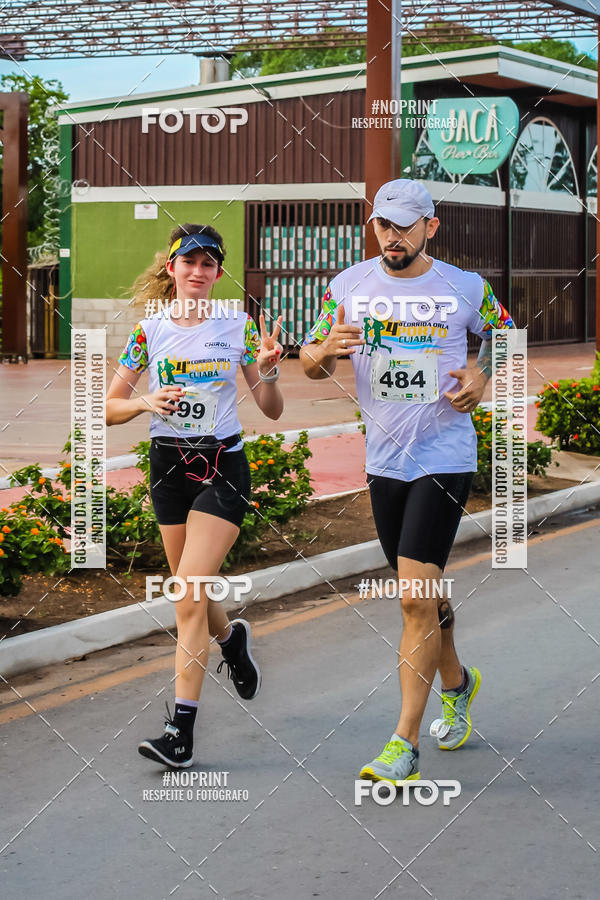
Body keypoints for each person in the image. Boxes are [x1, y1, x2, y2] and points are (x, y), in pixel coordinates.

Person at [300, 179, 514, 785]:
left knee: (414, 600)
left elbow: (506, 335)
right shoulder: (348, 285)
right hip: (384, 463)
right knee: (426, 594)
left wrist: (482, 375)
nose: (391, 236)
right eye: (382, 225)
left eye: (403, 225)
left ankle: (404, 745)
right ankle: (458, 682)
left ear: (430, 227)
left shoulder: (464, 286)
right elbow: (310, 362)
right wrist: (325, 349)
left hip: (443, 455)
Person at [106, 224, 283, 768]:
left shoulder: (238, 325)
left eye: (209, 264)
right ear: (172, 267)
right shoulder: (149, 331)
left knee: (185, 597)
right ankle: (231, 641)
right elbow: (108, 408)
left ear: (218, 272)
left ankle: (179, 734)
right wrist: (144, 402)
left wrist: (270, 373)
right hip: (169, 468)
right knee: (194, 593)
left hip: (222, 466)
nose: (199, 272)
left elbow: (271, 409)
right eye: (189, 262)